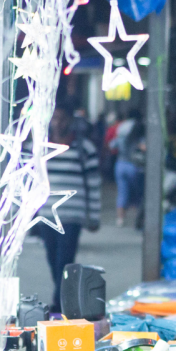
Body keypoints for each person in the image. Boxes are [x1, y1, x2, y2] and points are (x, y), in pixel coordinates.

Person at [32, 102, 101, 310]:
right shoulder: (39, 148)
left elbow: (94, 184)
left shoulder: (84, 149)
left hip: (72, 215)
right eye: (54, 118)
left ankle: (59, 302)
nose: (58, 123)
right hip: (46, 214)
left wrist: (94, 216)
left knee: (65, 259)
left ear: (70, 120)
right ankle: (64, 297)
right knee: (52, 258)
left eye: (62, 118)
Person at [113, 110, 145, 227]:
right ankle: (138, 218)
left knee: (122, 192)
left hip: (120, 163)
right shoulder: (140, 126)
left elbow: (113, 144)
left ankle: (120, 219)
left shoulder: (121, 127)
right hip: (135, 165)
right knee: (138, 194)